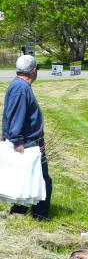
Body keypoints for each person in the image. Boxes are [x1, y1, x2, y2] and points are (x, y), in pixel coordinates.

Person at [2, 54, 50, 219]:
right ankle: (40, 214)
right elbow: (16, 115)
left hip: (27, 140)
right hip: (28, 142)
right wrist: (17, 141)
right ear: (34, 70)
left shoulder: (19, 86)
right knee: (43, 179)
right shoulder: (21, 88)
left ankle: (20, 210)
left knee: (28, 176)